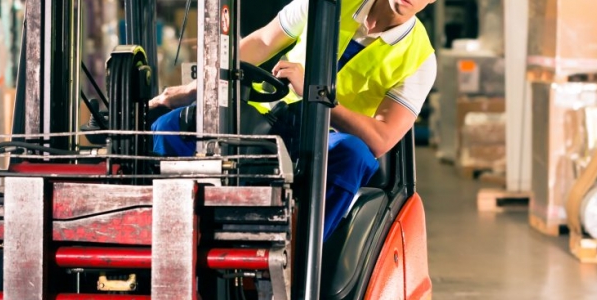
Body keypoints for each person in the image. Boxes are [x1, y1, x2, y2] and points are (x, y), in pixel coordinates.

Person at [149, 0, 437, 240]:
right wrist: (194, 90)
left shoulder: (420, 59)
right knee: (173, 126)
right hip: (272, 115)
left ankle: (295, 258)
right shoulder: (327, 3)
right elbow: (263, 41)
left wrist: (316, 93)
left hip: (327, 135)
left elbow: (381, 138)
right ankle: (171, 235)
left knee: (354, 155)